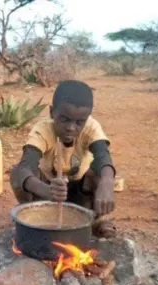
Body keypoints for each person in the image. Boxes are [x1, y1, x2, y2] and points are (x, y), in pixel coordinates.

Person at [10, 79, 117, 238]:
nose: (71, 127)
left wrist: (107, 183)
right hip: (48, 195)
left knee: (102, 173)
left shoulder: (91, 128)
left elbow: (103, 157)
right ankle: (34, 216)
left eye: (79, 122)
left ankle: (96, 219)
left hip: (81, 195)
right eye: (64, 119)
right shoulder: (43, 130)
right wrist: (46, 190)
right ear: (52, 112)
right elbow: (26, 166)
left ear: (87, 118)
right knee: (17, 172)